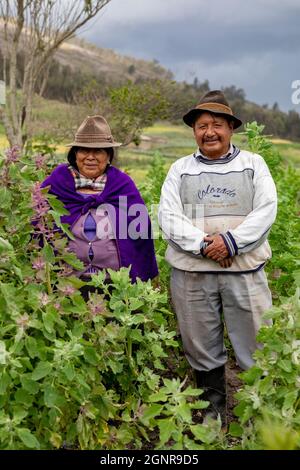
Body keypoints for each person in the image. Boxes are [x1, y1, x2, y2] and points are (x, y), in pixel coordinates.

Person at [158, 90, 277, 426]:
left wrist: (231, 242)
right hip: (192, 271)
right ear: (194, 131)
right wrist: (205, 245)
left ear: (231, 128)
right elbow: (168, 215)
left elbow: (266, 210)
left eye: (216, 125)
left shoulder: (253, 164)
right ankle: (213, 413)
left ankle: (259, 416)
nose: (209, 132)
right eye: (201, 126)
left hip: (244, 270)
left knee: (256, 342)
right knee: (199, 341)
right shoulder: (180, 169)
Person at [41, 115, 158, 297]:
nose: (90, 157)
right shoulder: (58, 182)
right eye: (83, 150)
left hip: (115, 286)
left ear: (108, 155)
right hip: (66, 284)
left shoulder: (121, 184)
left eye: (98, 151)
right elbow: (37, 224)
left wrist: (144, 275)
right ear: (74, 154)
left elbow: (141, 233)